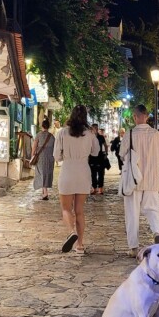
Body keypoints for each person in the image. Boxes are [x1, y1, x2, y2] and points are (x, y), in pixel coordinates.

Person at [120, 104, 159, 256]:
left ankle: (133, 247)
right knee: (152, 209)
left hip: (134, 180)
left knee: (132, 213)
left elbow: (122, 154)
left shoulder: (130, 134)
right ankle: (156, 232)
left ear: (136, 116)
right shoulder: (156, 134)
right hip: (152, 179)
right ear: (146, 116)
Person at [56, 106, 95, 254]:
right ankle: (80, 245)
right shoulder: (90, 133)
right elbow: (96, 151)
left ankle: (72, 231)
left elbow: (56, 155)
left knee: (66, 208)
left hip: (67, 171)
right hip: (83, 172)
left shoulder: (62, 133)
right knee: (79, 210)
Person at [30, 118, 55, 200]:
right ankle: (44, 191)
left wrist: (32, 155)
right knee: (47, 173)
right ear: (48, 126)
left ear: (42, 126)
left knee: (41, 173)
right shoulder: (52, 137)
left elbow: (34, 146)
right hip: (49, 158)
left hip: (40, 157)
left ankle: (45, 192)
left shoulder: (38, 135)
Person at [88, 123, 109, 194]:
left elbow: (105, 145)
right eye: (95, 128)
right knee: (93, 173)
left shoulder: (101, 137)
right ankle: (94, 188)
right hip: (92, 156)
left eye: (97, 128)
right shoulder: (89, 137)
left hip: (100, 156)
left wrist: (106, 153)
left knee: (101, 172)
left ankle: (100, 188)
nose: (96, 129)